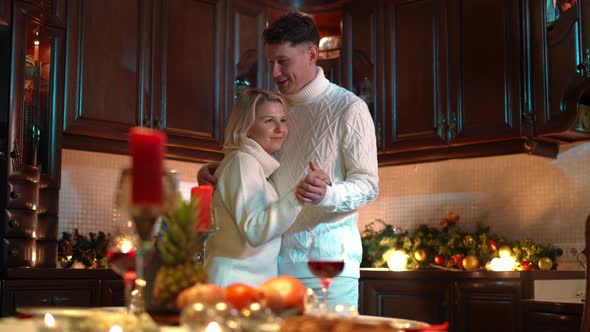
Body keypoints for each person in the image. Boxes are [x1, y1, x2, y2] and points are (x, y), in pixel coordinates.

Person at [199, 12, 379, 308]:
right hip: (272, 269)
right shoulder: (273, 108)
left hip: (327, 268)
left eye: (283, 61)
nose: (274, 73)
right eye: (270, 62)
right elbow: (253, 176)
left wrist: (327, 194)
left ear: (312, 54)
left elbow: (369, 185)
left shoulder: (349, 108)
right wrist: (215, 173)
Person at [205, 88, 329, 288]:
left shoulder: (254, 165)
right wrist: (300, 194)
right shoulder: (243, 162)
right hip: (233, 285)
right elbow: (256, 230)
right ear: (246, 127)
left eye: (283, 120)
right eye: (269, 121)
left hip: (245, 285)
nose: (281, 129)